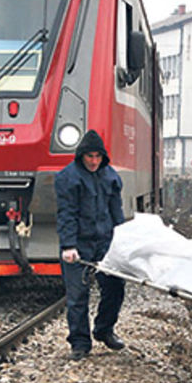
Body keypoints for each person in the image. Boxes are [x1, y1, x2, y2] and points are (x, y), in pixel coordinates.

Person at [55, 130, 126, 361]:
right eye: (89, 157)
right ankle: (80, 342)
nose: (94, 161)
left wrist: (122, 239)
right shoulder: (68, 178)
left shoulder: (111, 177)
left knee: (115, 288)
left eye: (97, 156)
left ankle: (104, 329)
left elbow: (117, 212)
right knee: (77, 295)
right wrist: (68, 245)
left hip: (105, 242)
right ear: (81, 156)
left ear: (103, 157)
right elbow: (66, 214)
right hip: (79, 243)